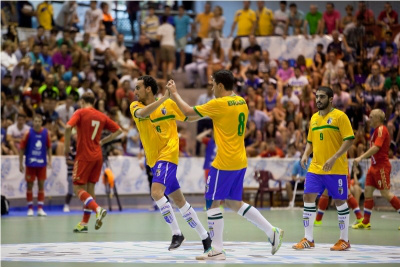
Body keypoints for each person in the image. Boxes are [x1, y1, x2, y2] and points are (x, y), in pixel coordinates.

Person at [167, 70, 284, 260]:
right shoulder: (241, 101)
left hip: (224, 162)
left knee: (213, 202)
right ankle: (272, 231)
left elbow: (188, 113)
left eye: (213, 84)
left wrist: (175, 93)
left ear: (220, 86)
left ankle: (217, 250)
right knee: (233, 203)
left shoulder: (219, 104)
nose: (212, 88)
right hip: (239, 160)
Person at [130, 75, 212, 255]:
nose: (135, 91)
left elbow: (187, 118)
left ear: (148, 89)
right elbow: (143, 114)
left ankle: (177, 233)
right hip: (154, 160)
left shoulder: (169, 105)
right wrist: (166, 98)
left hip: (168, 154)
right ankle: (205, 236)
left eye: (138, 88)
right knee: (180, 201)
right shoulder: (136, 106)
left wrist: (206, 113)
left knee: (156, 192)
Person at [292, 86, 355, 251]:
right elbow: (310, 141)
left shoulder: (340, 117)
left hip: (336, 168)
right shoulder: (313, 118)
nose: (318, 100)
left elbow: (349, 140)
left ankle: (344, 240)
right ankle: (309, 238)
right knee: (308, 197)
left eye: (322, 97)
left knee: (340, 201)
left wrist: (334, 158)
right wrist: (306, 154)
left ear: (331, 99)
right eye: (317, 97)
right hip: (316, 167)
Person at [64, 92, 122, 233]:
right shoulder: (101, 115)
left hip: (84, 156)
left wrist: (66, 148)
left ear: (82, 101)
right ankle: (84, 223)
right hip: (98, 156)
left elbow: (67, 127)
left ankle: (97, 209)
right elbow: (119, 131)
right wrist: (103, 141)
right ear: (94, 102)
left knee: (78, 189)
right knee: (90, 190)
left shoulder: (80, 112)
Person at [352, 109, 400, 230]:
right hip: (373, 167)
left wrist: (361, 157)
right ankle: (366, 221)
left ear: (378, 119)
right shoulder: (374, 131)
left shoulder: (381, 130)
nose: (369, 118)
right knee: (368, 191)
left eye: (372, 117)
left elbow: (377, 148)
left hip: (381, 167)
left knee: (385, 193)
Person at [19, 114, 51, 216]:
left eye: (39, 121)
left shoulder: (46, 133)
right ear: (33, 122)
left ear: (41, 123)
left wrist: (50, 160)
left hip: (42, 164)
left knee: (41, 185)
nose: (37, 123)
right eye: (35, 121)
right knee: (30, 185)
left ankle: (40, 209)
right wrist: (20, 163)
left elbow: (49, 147)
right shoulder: (28, 133)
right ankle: (30, 208)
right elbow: (22, 149)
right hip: (30, 163)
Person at [63, 132, 77, 212]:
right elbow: (68, 161)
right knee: (71, 191)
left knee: (84, 191)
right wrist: (78, 163)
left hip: (81, 174)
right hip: (71, 173)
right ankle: (66, 205)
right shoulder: (70, 149)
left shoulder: (82, 149)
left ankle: (86, 206)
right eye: (76, 136)